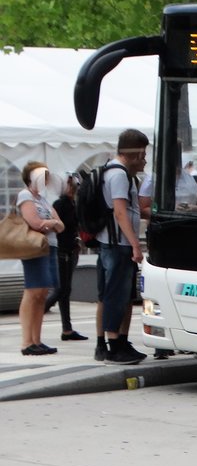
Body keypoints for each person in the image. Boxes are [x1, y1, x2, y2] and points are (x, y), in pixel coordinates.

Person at [93, 129, 149, 364]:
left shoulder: (114, 171)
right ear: (135, 152)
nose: (145, 159)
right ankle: (114, 346)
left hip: (112, 243)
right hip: (118, 244)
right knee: (116, 295)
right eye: (143, 153)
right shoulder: (119, 175)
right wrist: (135, 244)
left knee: (119, 295)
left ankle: (116, 343)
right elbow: (120, 212)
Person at [15, 163, 64, 356]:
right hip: (35, 247)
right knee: (33, 292)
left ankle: (36, 339)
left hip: (49, 246)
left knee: (42, 293)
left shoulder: (42, 199)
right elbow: (35, 223)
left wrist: (50, 223)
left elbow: (61, 226)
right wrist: (52, 223)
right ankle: (27, 341)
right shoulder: (25, 196)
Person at [43, 172, 87, 341]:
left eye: (72, 184)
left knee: (65, 290)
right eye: (68, 184)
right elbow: (58, 227)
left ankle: (67, 329)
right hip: (61, 250)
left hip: (71, 249)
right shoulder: (60, 204)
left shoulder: (73, 203)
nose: (71, 187)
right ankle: (37, 311)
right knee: (60, 289)